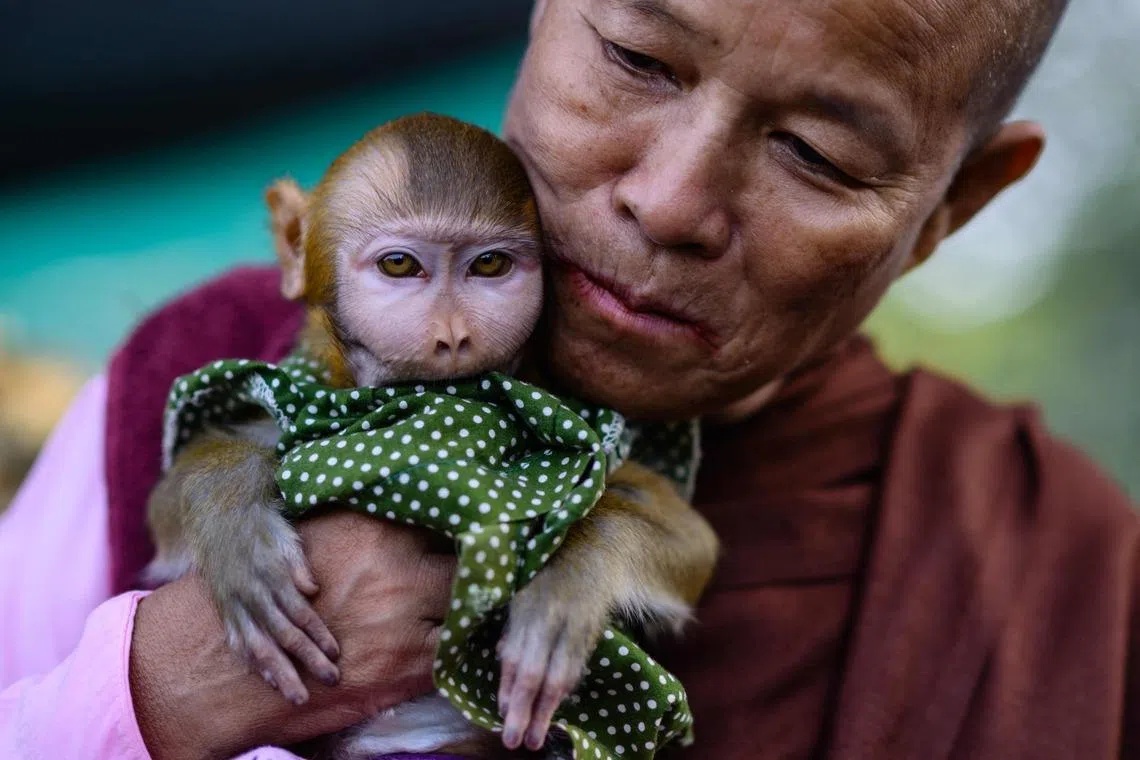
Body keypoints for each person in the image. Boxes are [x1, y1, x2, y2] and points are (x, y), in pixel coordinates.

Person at [2, 0, 1136, 757]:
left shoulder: (1059, 582)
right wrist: (162, 683)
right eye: (638, 61)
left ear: (956, 205)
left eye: (819, 157)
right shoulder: (201, 369)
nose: (671, 199)